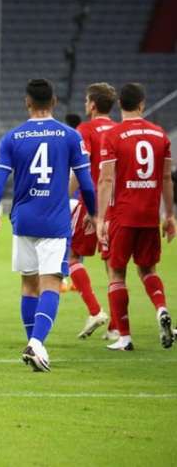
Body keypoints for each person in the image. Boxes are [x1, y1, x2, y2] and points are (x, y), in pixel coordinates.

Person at [0, 79, 97, 372]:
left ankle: (33, 343)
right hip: (55, 221)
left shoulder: (12, 137)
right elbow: (86, 184)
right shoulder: (70, 136)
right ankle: (37, 343)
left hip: (24, 220)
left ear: (27, 102)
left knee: (29, 285)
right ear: (54, 102)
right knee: (51, 284)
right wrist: (95, 215)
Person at [96, 82, 175, 351]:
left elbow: (106, 179)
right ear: (142, 104)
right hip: (150, 215)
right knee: (148, 269)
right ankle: (161, 308)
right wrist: (170, 215)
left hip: (123, 215)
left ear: (120, 104)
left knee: (116, 273)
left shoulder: (114, 135)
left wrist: (99, 219)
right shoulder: (160, 134)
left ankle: (125, 336)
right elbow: (166, 177)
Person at [67, 83, 117, 339]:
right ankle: (118, 327)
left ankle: (96, 310)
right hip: (118, 207)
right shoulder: (120, 130)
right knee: (113, 269)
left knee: (72, 258)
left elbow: (81, 168)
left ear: (93, 105)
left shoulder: (85, 130)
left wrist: (64, 196)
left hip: (92, 205)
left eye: (87, 100)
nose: (85, 104)